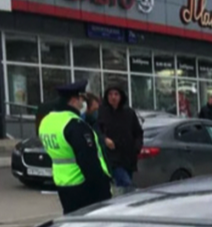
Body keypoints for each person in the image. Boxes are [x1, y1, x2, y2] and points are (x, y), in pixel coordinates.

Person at [39, 80, 112, 215]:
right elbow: (89, 163)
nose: (83, 103)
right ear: (73, 100)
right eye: (81, 99)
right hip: (84, 186)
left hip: (63, 184)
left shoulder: (47, 121)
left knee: (71, 223)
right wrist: (103, 191)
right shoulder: (75, 125)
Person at [98, 84, 144, 191]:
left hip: (128, 157)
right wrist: (104, 139)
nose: (113, 97)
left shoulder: (129, 113)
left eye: (116, 94)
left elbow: (138, 132)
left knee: (121, 188)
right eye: (110, 94)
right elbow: (96, 130)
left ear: (121, 96)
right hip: (112, 158)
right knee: (126, 185)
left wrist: (137, 147)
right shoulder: (102, 112)